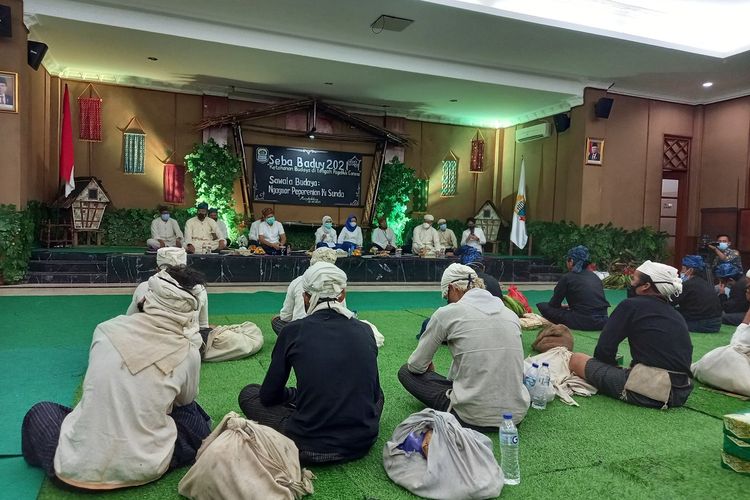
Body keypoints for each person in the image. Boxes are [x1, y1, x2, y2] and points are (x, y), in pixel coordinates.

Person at [22, 266, 211, 488]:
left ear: (147, 296)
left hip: (72, 470)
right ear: (189, 310)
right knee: (193, 416)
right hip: (146, 467)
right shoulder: (188, 351)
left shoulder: (105, 329)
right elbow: (184, 402)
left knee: (41, 411)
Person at [238, 262, 383, 464]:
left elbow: (268, 396)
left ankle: (304, 406)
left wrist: (291, 395)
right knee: (377, 394)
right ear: (342, 295)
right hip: (362, 441)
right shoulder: (365, 330)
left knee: (249, 393)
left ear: (306, 297)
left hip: (307, 443)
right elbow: (374, 394)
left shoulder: (292, 331)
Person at [399, 263, 530, 428]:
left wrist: (427, 369)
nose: (448, 302)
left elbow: (416, 366)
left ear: (453, 288)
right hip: (515, 416)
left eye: (447, 296)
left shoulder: (446, 313)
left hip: (469, 417)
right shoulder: (510, 314)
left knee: (405, 372)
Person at [569, 261, 693, 409]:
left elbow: (604, 349)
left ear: (646, 286)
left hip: (652, 390)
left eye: (634, 279)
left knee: (577, 359)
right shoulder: (676, 314)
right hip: (681, 392)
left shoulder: (630, 305)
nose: (630, 283)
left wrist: (609, 368)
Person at [126, 247, 210, 339]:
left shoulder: (144, 287)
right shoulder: (200, 289)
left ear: (157, 269)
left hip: (150, 341)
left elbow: (129, 320)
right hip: (187, 343)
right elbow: (203, 326)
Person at [536, 245, 610, 331]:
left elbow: (554, 304)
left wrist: (564, 307)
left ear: (571, 261)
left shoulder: (567, 277)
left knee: (543, 306)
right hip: (603, 321)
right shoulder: (595, 276)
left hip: (585, 321)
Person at [271, 247, 340, 334]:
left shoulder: (298, 281)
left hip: (302, 333)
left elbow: (286, 317)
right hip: (333, 332)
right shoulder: (339, 283)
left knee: (276, 319)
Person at [672, 255, 722, 333]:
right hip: (717, 323)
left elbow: (671, 302)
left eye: (683, 269)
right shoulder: (706, 283)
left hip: (703, 324)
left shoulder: (688, 284)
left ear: (690, 270)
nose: (681, 272)